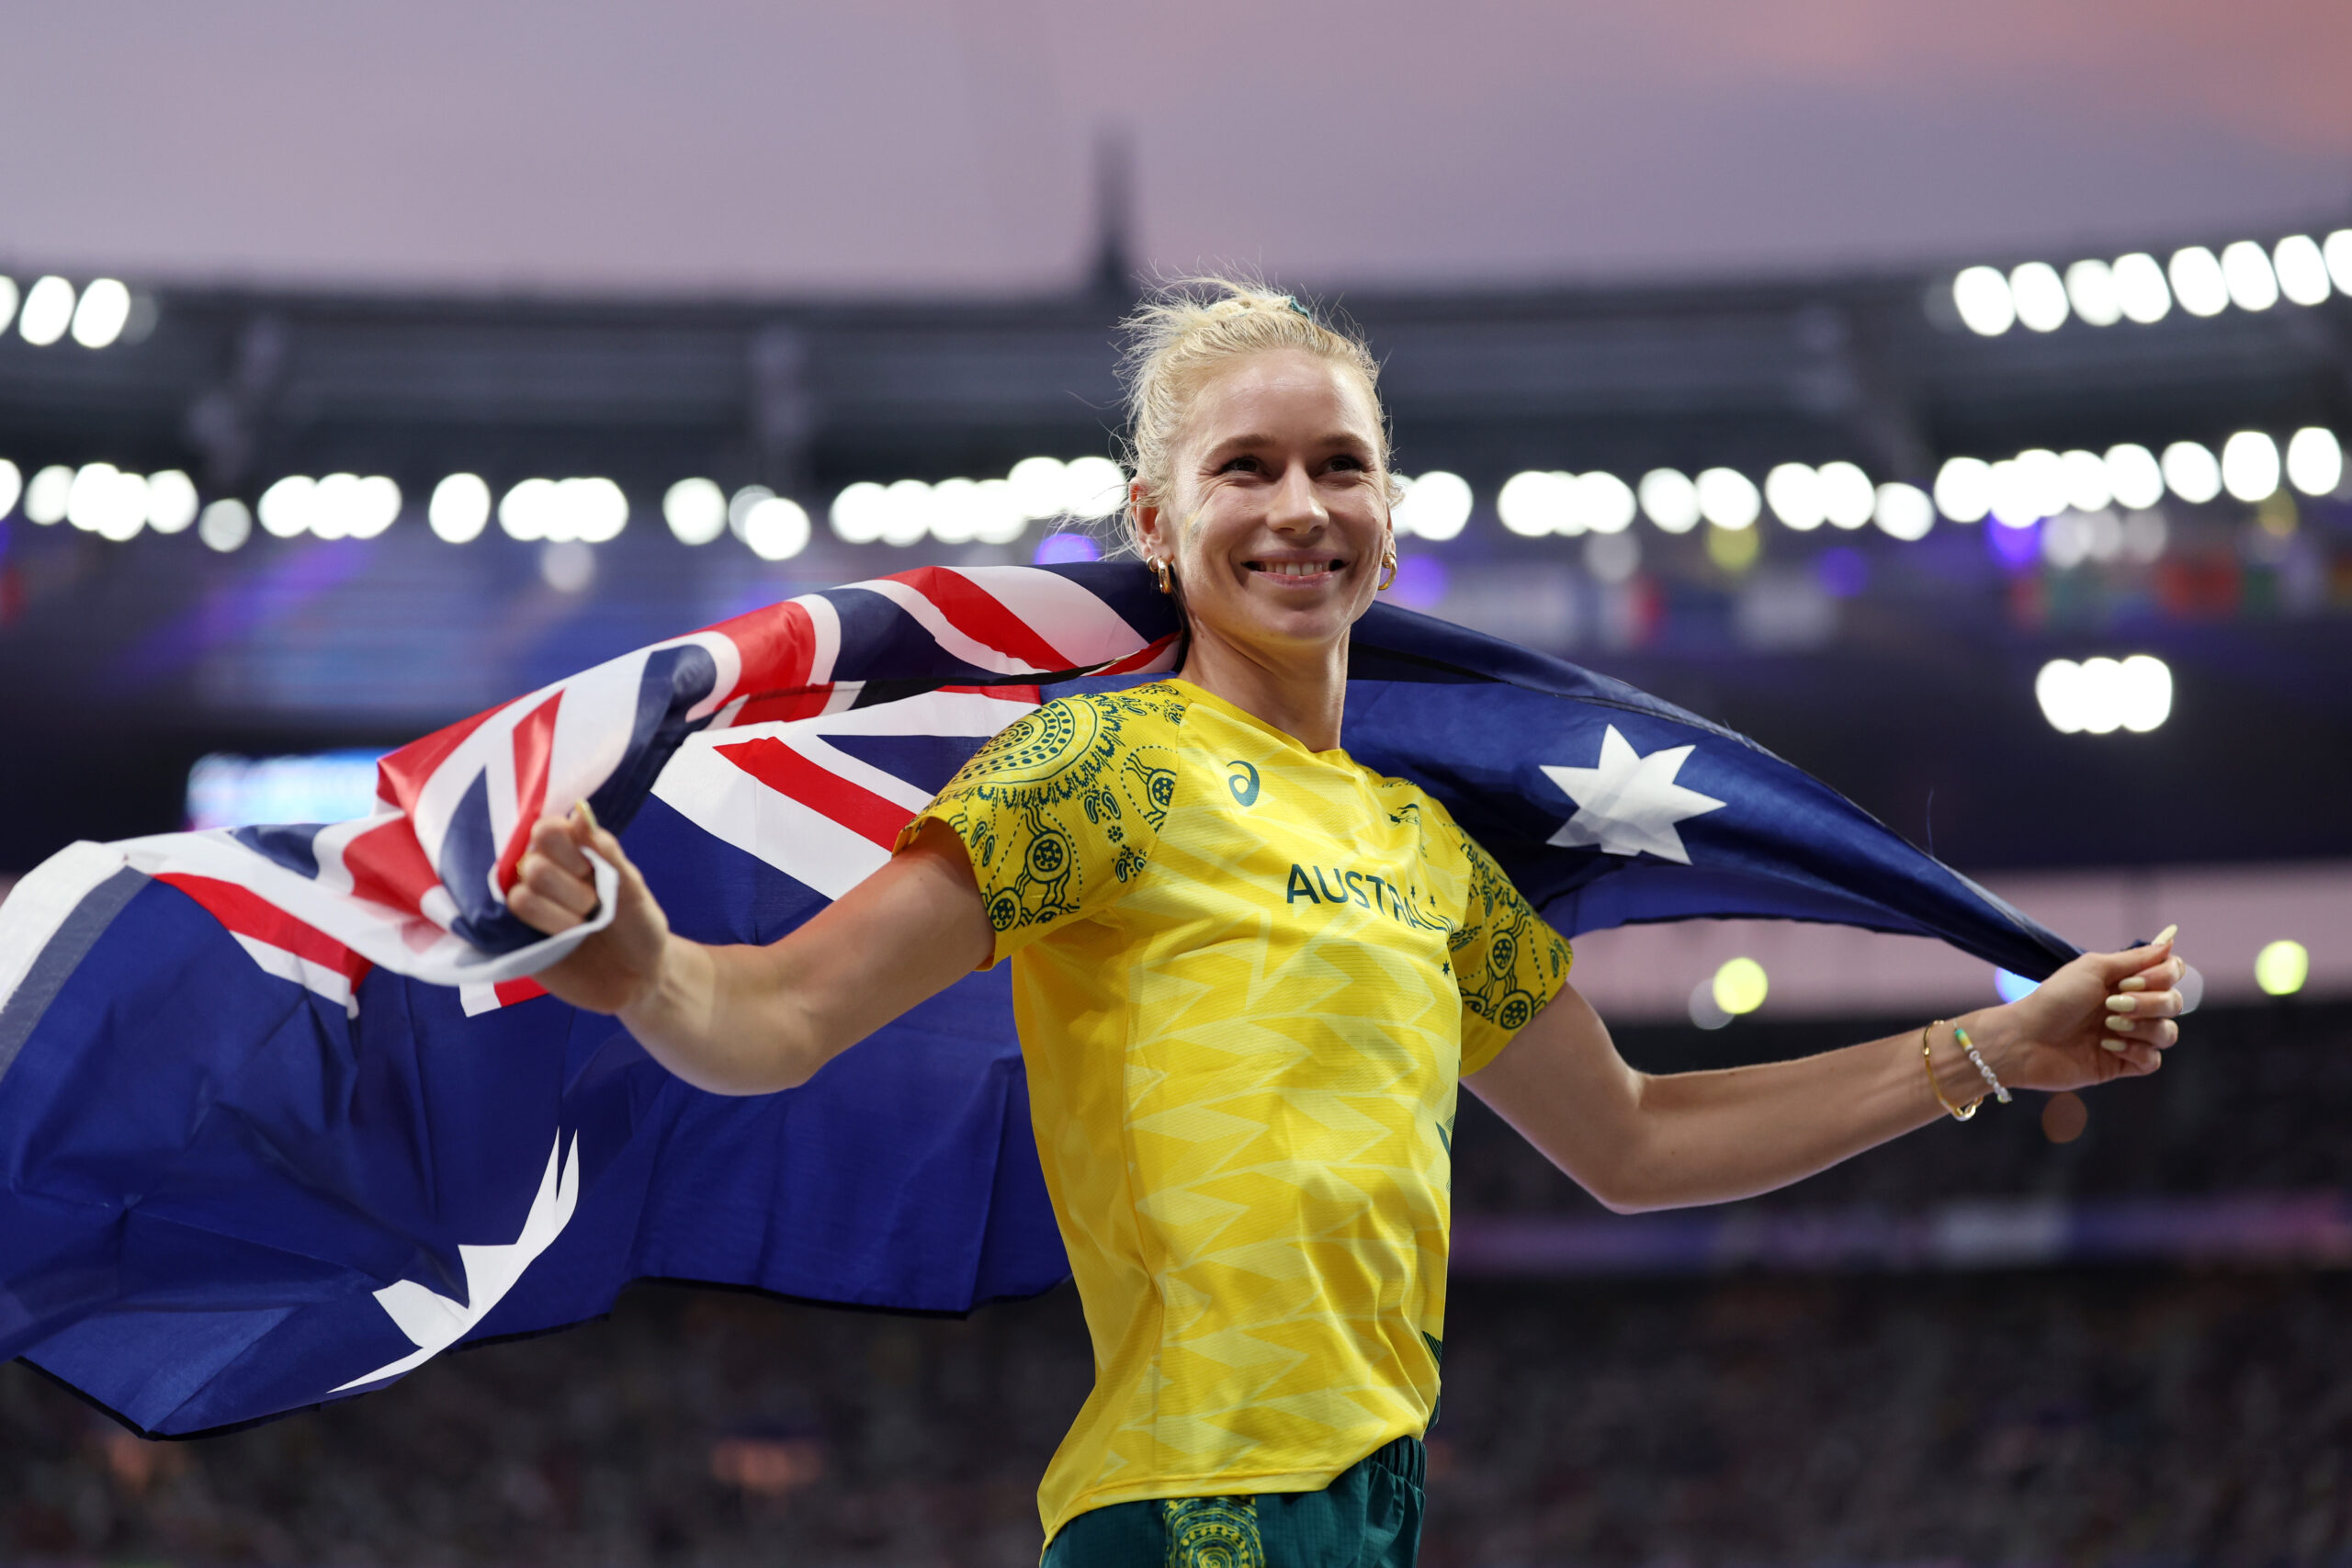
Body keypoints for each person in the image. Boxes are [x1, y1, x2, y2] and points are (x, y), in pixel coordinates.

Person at [508, 278, 2188, 1567]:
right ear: (1159, 530)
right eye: (1244, 469)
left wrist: (1991, 1045)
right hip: (1200, 1498)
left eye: (1341, 468)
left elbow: (1638, 1142)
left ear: (1389, 522)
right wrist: (644, 962)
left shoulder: (1426, 846)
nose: (1299, 508)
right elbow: (777, 1023)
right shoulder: (1095, 769)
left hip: (1374, 1500)